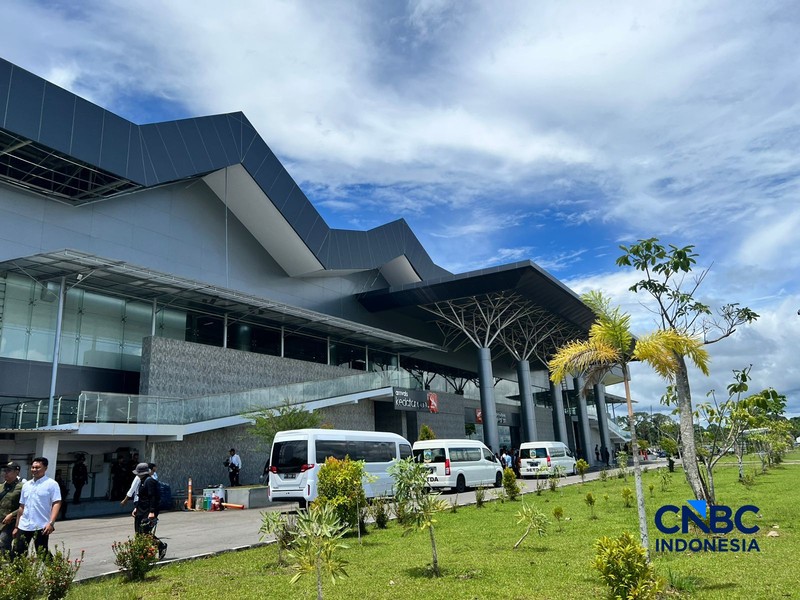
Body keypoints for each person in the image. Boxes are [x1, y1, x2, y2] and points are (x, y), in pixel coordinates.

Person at [13, 456, 62, 558]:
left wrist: (51, 523)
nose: (34, 470)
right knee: (18, 553)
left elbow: (57, 503)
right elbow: (22, 506)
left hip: (41, 525)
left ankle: (56, 572)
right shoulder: (26, 485)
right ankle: (19, 573)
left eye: (37, 467)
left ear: (45, 468)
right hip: (24, 525)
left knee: (42, 553)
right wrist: (17, 526)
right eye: (33, 467)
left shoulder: (51, 484)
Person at [131, 463, 167, 559]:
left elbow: (153, 497)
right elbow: (141, 496)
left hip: (148, 511)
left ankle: (160, 546)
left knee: (145, 532)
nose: (137, 475)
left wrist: (152, 512)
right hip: (140, 510)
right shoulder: (142, 481)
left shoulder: (150, 481)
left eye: (139, 473)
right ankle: (143, 554)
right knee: (139, 533)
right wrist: (136, 508)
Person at [0, 462, 23, 554]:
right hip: (0, 521)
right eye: (4, 471)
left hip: (11, 523)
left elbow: (27, 506)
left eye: (8, 471)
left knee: (3, 544)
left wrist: (12, 515)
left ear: (17, 472)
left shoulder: (22, 487)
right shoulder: (1, 487)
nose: (5, 473)